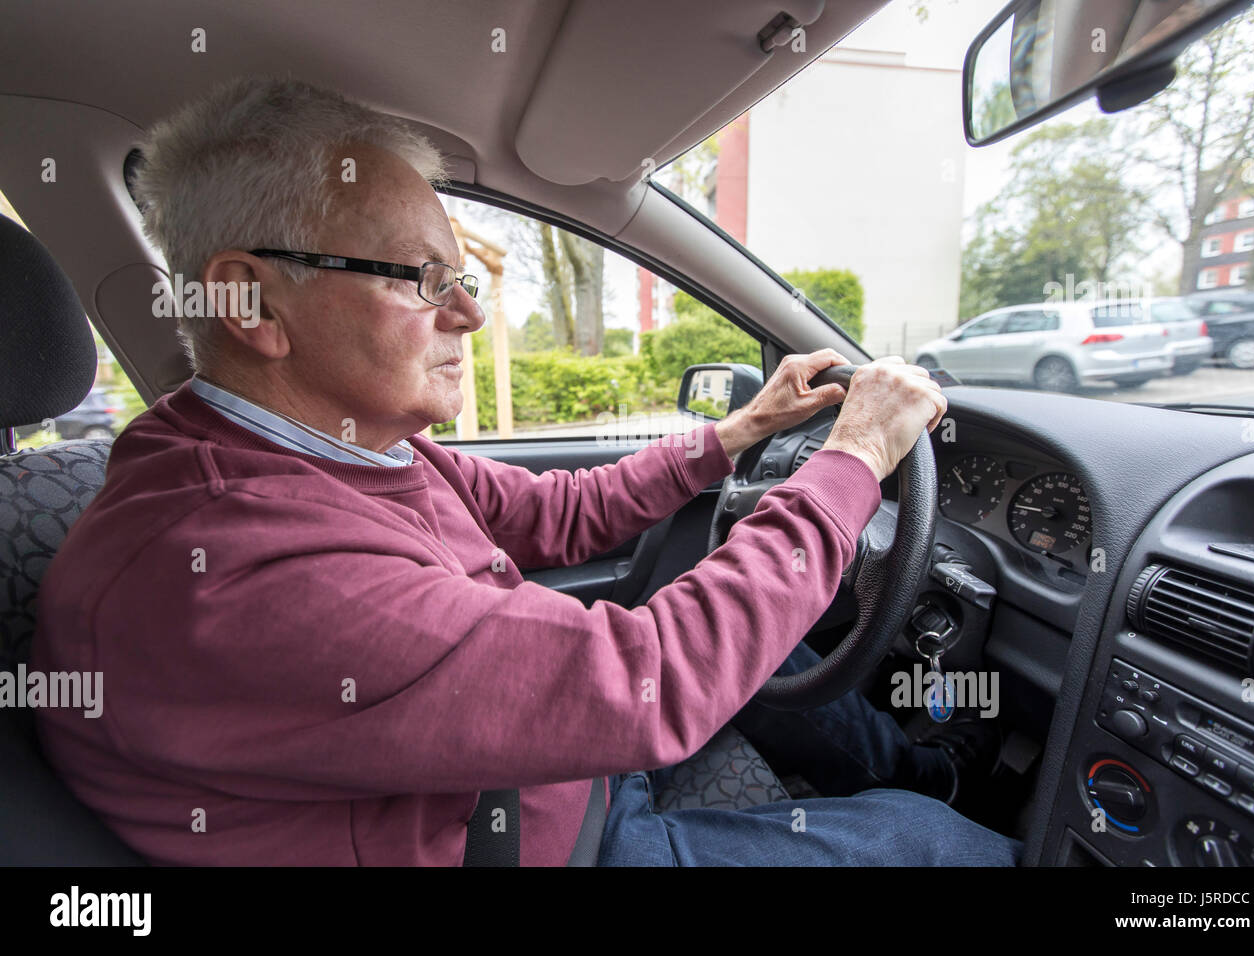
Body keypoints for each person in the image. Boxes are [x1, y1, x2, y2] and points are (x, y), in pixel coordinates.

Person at [32, 77, 1018, 866]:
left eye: (461, 276)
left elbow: (553, 513)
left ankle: (928, 767)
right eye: (422, 279)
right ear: (250, 302)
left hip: (529, 771)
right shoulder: (226, 566)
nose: (466, 311)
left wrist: (740, 432)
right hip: (527, 836)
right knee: (932, 849)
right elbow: (651, 680)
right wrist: (853, 457)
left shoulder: (342, 448)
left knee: (764, 643)